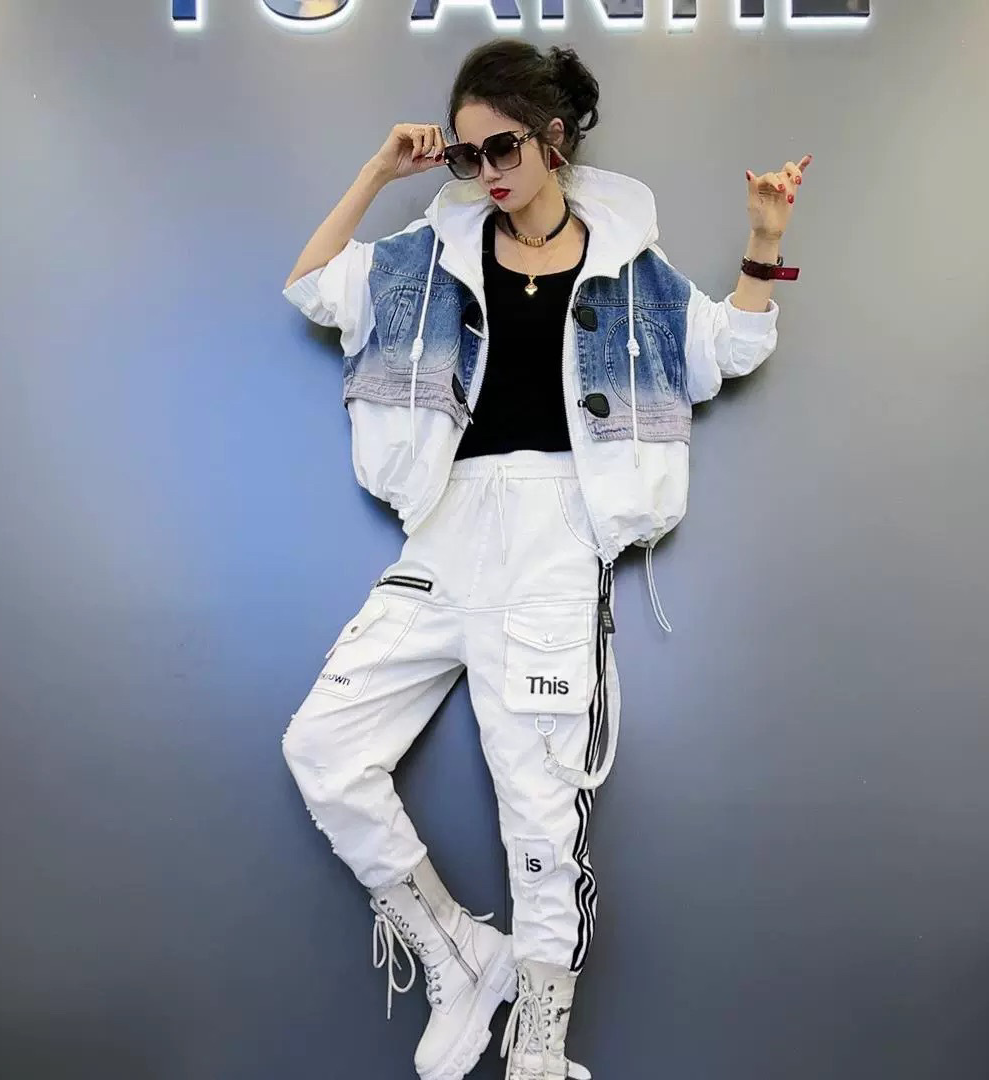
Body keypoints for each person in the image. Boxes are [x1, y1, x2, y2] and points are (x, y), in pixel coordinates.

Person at [280, 38, 809, 1080]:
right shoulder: (428, 255)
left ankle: (538, 1053)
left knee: (539, 816)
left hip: (559, 539)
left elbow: (728, 350)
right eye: (466, 155)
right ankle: (455, 952)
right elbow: (310, 286)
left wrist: (763, 241)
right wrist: (381, 174)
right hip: (445, 528)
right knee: (322, 749)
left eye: (504, 148)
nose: (485, 171)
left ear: (554, 138)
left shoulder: (630, 269)